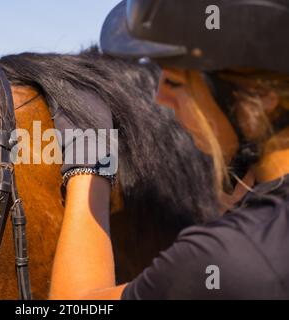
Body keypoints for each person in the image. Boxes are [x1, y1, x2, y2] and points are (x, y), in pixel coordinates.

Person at [49, 0, 289, 299]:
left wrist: (89, 167)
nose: (160, 97)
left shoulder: (228, 258)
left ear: (259, 97)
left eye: (175, 82)